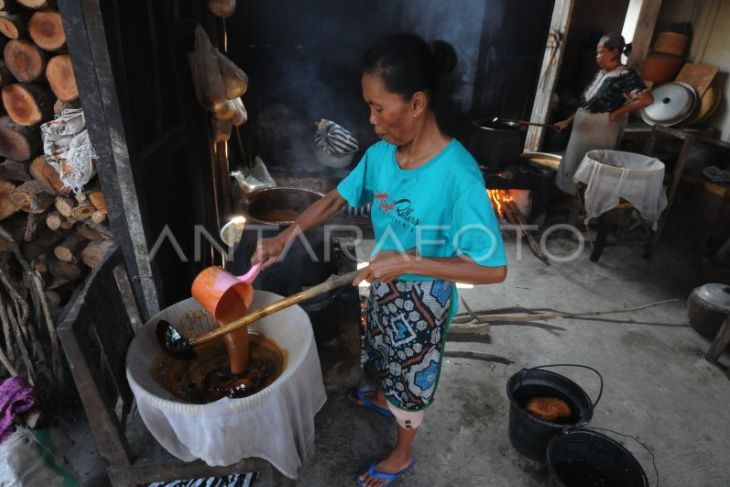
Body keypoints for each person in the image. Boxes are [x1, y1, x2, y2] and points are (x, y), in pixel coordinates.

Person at [252, 34, 507, 487]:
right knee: (382, 352)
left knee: (413, 381)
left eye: (378, 107)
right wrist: (284, 237)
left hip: (425, 301)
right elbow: (334, 200)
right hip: (386, 282)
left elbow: (492, 268)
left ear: (416, 103)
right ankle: (382, 395)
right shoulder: (381, 157)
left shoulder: (458, 175)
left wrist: (409, 261)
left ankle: (402, 451)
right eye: (368, 107)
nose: (371, 121)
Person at [553, 32, 654, 195]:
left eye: (601, 52)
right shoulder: (601, 73)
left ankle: (585, 208)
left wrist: (618, 112)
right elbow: (585, 105)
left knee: (591, 170)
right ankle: (571, 201)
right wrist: (568, 121)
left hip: (600, 131)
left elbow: (647, 99)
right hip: (581, 130)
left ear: (614, 52)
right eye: (596, 53)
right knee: (574, 164)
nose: (597, 57)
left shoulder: (625, 75)